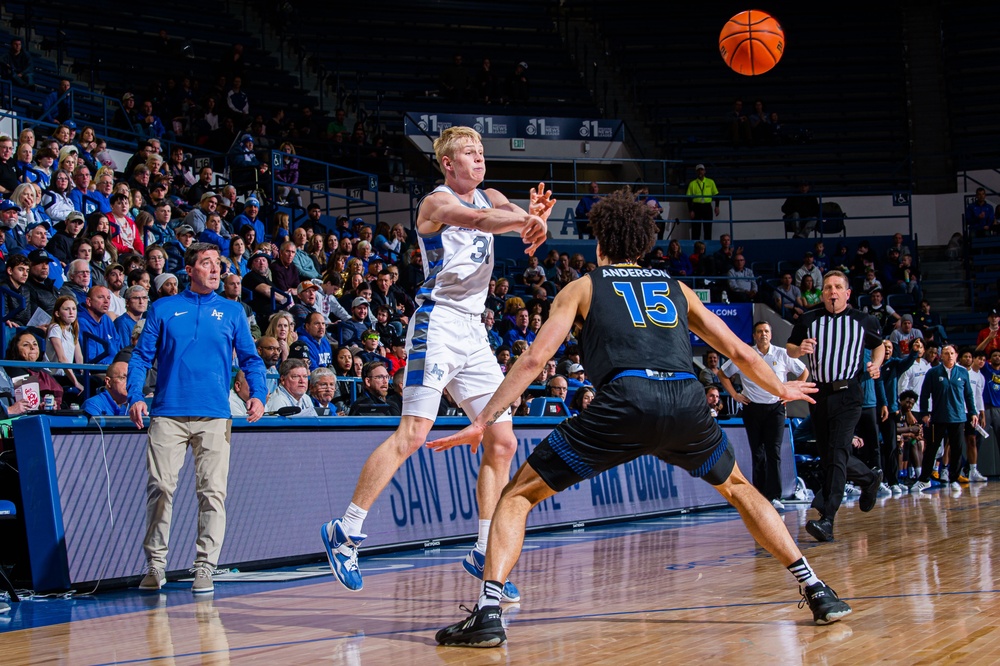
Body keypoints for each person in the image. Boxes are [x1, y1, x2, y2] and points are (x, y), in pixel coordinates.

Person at [430, 188, 847, 648]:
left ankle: (489, 612)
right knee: (739, 488)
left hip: (625, 401)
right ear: (644, 244)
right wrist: (781, 388)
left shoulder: (583, 287)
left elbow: (533, 361)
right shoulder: (677, 288)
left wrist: (484, 419)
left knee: (517, 495)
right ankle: (816, 588)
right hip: (686, 401)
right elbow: (739, 350)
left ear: (600, 244)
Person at [319, 126, 550, 599]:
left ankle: (483, 549)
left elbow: (512, 219)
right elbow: (483, 221)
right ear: (448, 162)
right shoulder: (435, 203)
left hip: (475, 330)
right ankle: (346, 529)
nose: (479, 158)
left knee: (503, 441)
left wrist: (534, 222)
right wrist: (523, 220)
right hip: (438, 323)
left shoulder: (492, 195)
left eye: (481, 152)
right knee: (413, 433)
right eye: (469, 152)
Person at [128, 242, 267, 594]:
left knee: (212, 493)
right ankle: (156, 564)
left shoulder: (233, 311)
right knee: (161, 487)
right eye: (206, 263)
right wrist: (135, 395)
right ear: (189, 270)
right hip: (167, 412)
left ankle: (205, 565)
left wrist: (258, 394)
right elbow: (141, 357)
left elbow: (251, 359)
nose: (215, 269)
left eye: (218, 263)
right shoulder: (163, 308)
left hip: (215, 415)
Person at [787, 270, 885, 543]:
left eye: (838, 287)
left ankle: (827, 518)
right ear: (822, 293)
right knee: (829, 454)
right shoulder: (808, 319)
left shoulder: (864, 320)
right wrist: (799, 350)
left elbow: (879, 346)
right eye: (828, 287)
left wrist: (876, 365)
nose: (833, 291)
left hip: (848, 393)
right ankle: (868, 478)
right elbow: (790, 347)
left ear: (847, 293)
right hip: (819, 394)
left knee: (838, 451)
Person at [718, 321, 808, 509]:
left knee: (773, 452)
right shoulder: (745, 354)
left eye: (766, 331)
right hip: (752, 407)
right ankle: (760, 497)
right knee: (757, 453)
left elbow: (803, 372)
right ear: (754, 335)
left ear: (771, 335)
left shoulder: (782, 354)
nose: (763, 334)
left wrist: (789, 393)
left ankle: (774, 496)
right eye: (759, 331)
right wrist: (734, 394)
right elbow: (722, 373)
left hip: (776, 407)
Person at [912, 344, 978, 493]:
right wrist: (924, 413)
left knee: (957, 450)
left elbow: (968, 394)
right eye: (946, 353)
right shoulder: (933, 372)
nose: (949, 356)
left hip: (958, 418)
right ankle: (924, 480)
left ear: (956, 355)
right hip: (938, 417)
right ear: (941, 356)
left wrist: (973, 412)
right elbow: (924, 394)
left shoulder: (962, 372)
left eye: (952, 353)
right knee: (931, 449)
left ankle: (953, 479)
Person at [686, 164, 719, 241]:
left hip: (707, 206)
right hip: (696, 206)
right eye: (698, 170)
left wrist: (717, 206)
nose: (700, 172)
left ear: (704, 171)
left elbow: (716, 194)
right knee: (695, 228)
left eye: (701, 170)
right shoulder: (692, 183)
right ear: (696, 172)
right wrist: (691, 210)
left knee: (708, 227)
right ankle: (695, 244)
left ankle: (708, 244)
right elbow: (688, 198)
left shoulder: (710, 182)